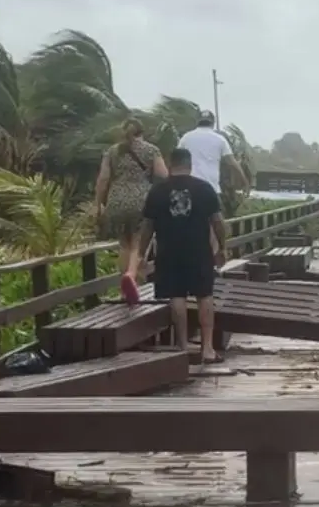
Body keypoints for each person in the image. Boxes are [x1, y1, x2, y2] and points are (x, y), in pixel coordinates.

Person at [128, 148, 227, 363]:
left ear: (171, 165)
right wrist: (223, 248)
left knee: (177, 297)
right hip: (199, 251)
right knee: (205, 296)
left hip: (168, 251)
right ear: (190, 165)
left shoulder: (157, 191)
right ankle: (207, 349)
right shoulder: (204, 188)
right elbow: (218, 222)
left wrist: (141, 255)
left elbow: (147, 227)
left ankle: (182, 347)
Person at [95, 118, 168, 278]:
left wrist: (98, 204)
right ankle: (133, 277)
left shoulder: (112, 152)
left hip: (116, 201)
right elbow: (163, 176)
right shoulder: (151, 150)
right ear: (142, 132)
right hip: (142, 200)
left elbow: (103, 179)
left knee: (123, 244)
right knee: (138, 243)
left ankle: (124, 286)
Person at [177, 110, 250, 195]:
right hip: (211, 188)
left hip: (189, 187)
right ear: (213, 123)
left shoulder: (186, 138)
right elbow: (232, 163)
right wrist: (245, 182)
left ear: (197, 122)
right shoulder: (220, 139)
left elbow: (176, 160)